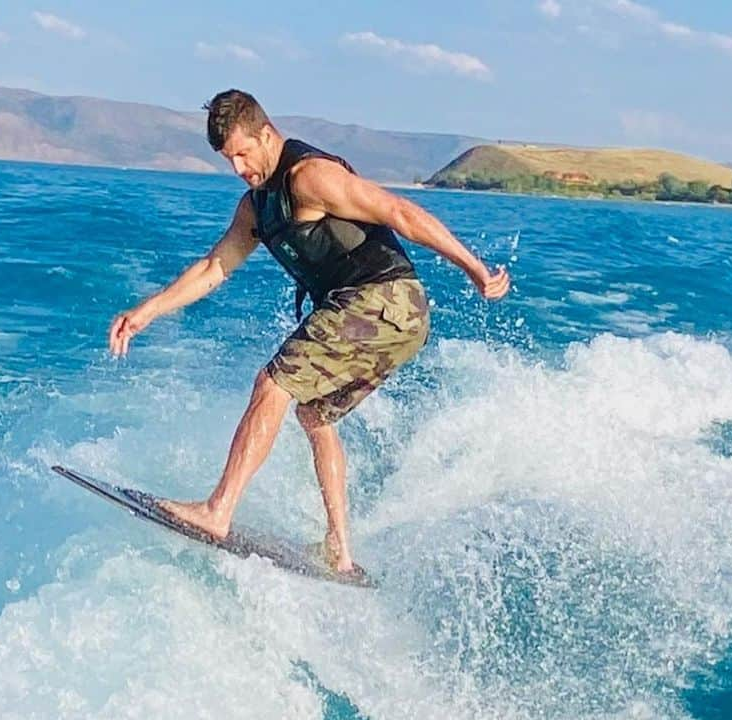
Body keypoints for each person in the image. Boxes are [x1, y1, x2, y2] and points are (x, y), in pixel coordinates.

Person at [109, 89, 510, 575]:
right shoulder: (256, 207)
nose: (238, 167)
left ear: (266, 134)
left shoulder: (310, 178)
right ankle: (340, 552)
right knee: (314, 415)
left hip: (383, 299)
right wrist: (148, 310)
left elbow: (400, 212)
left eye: (243, 153)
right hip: (394, 319)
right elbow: (216, 266)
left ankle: (218, 511)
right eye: (227, 159)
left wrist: (475, 270)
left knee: (273, 384)